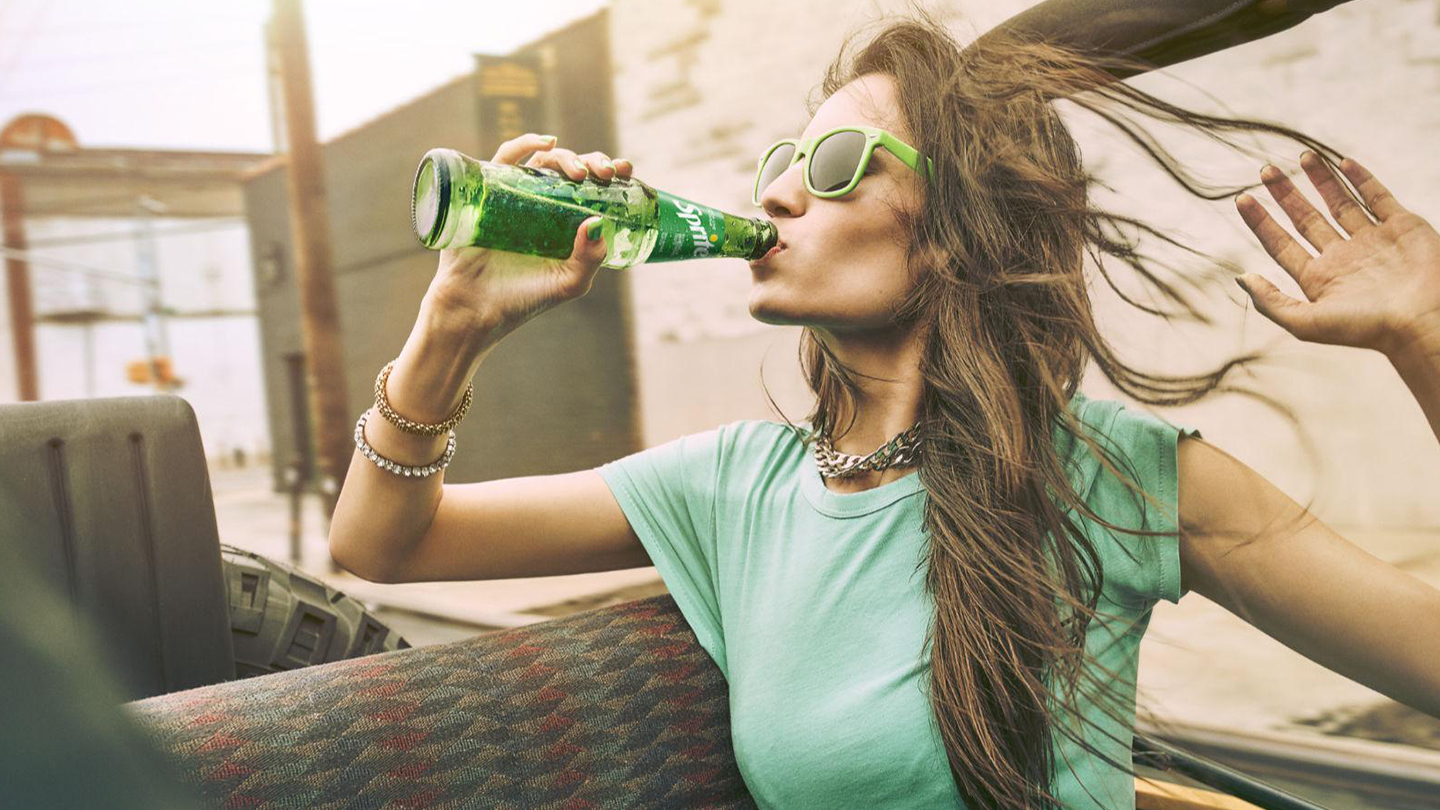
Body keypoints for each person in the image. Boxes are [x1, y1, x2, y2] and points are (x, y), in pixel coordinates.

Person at [328, 15, 1440, 810]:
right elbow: (383, 543)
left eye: (836, 161)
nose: (774, 192)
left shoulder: (1123, 479)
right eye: (780, 160)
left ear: (956, 227)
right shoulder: (733, 484)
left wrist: (1426, 341)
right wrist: (453, 327)